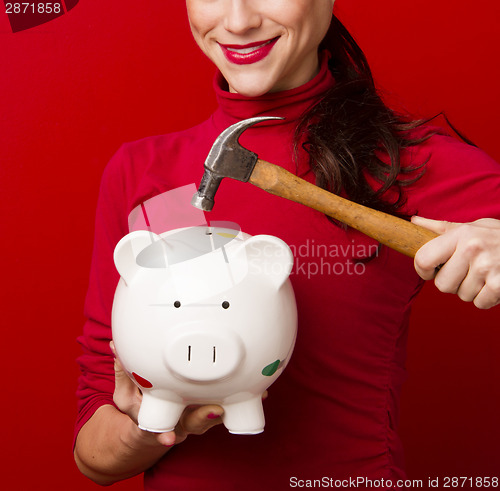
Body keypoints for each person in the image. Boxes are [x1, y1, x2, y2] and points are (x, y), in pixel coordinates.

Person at [73, 1, 500, 489]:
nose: (238, 22)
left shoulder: (411, 164)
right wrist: (152, 426)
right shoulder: (141, 172)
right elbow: (92, 454)